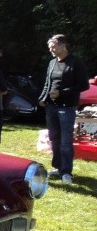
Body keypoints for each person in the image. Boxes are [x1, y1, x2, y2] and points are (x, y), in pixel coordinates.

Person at [38, 34, 90, 184]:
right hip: (51, 106)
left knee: (65, 141)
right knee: (54, 139)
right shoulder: (52, 63)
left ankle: (67, 172)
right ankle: (58, 167)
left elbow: (84, 85)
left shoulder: (75, 62)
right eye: (50, 48)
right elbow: (48, 84)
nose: (51, 50)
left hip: (67, 107)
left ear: (63, 45)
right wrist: (43, 98)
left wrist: (62, 93)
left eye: (53, 47)